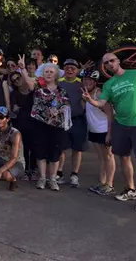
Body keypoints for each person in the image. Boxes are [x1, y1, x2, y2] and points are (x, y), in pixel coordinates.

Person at [83, 53, 136, 213]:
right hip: (121, 125)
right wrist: (90, 100)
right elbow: (102, 102)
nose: (109, 64)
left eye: (112, 60)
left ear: (118, 61)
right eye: (106, 63)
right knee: (124, 158)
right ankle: (131, 190)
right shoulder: (109, 84)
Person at [31, 63, 69, 191]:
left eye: (51, 72)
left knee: (55, 152)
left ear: (56, 75)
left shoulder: (62, 90)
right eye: (46, 72)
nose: (48, 74)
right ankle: (42, 178)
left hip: (56, 126)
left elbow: (66, 105)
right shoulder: (38, 90)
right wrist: (48, 112)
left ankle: (52, 179)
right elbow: (36, 106)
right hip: (40, 124)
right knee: (40, 151)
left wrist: (58, 111)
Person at [81, 69, 116, 196]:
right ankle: (102, 182)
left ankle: (110, 184)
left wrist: (109, 133)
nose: (87, 82)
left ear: (95, 82)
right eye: (85, 80)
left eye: (90, 80)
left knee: (108, 156)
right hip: (94, 129)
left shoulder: (99, 93)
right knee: (101, 158)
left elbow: (109, 113)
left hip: (104, 130)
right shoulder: (85, 94)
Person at [56, 59, 86, 187]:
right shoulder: (58, 83)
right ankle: (59, 172)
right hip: (62, 120)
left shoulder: (82, 83)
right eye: (67, 67)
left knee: (77, 149)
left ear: (77, 70)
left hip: (78, 119)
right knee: (62, 148)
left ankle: (74, 174)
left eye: (73, 68)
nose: (69, 70)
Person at [9, 61, 37, 181]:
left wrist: (23, 67)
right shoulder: (14, 93)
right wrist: (15, 108)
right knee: (24, 148)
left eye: (18, 78)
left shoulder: (31, 89)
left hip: (34, 123)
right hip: (21, 124)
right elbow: (14, 108)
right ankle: (26, 170)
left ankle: (34, 170)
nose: (17, 81)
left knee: (34, 147)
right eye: (14, 80)